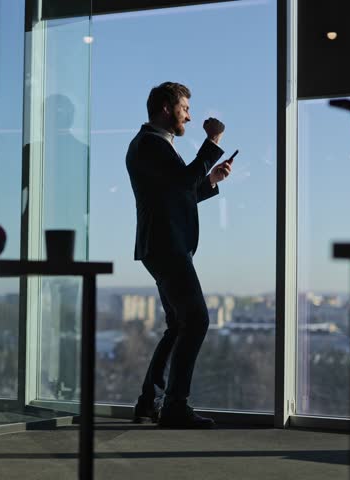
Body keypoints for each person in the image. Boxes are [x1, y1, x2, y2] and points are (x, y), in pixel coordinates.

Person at [125, 81, 234, 428]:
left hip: (164, 246)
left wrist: (211, 180)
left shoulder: (155, 145)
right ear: (166, 108)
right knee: (197, 320)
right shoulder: (149, 145)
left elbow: (177, 193)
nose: (189, 114)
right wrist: (212, 142)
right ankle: (174, 406)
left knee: (178, 325)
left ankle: (149, 402)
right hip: (166, 247)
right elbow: (181, 185)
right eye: (184, 108)